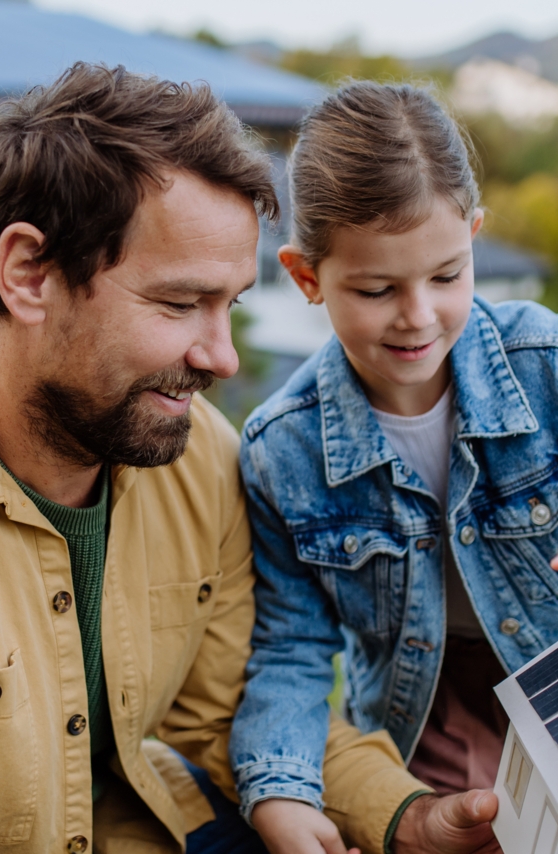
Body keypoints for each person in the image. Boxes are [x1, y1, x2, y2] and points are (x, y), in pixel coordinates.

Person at [0, 63, 497, 854]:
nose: (223, 358)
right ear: (30, 274)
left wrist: (403, 815)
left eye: (230, 305)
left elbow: (233, 701)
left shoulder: (201, 457)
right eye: (179, 304)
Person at [231, 79, 558, 853]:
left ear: (473, 237)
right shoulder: (283, 449)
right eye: (377, 289)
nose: (417, 314)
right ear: (307, 277)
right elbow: (291, 647)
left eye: (447, 276)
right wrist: (280, 790)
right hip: (428, 714)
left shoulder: (543, 364)